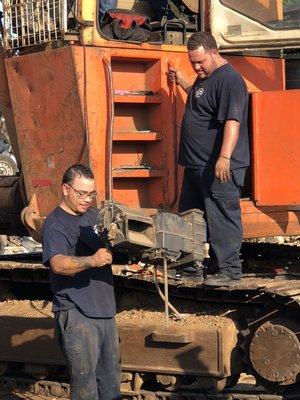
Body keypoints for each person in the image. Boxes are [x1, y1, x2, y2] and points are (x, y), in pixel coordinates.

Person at [169, 32, 249, 286]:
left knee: (222, 216)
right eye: (192, 62)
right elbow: (202, 98)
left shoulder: (230, 80)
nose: (196, 67)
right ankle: (191, 266)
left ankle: (229, 270)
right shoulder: (207, 78)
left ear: (214, 52)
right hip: (195, 165)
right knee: (190, 216)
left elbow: (232, 122)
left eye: (200, 61)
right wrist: (183, 82)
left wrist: (224, 157)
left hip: (219, 167)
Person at [42, 164, 121, 400]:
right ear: (65, 189)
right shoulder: (55, 224)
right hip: (77, 313)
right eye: (81, 193)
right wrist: (91, 261)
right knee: (85, 386)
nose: (87, 199)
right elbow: (57, 264)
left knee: (110, 383)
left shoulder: (93, 216)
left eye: (91, 193)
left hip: (105, 311)